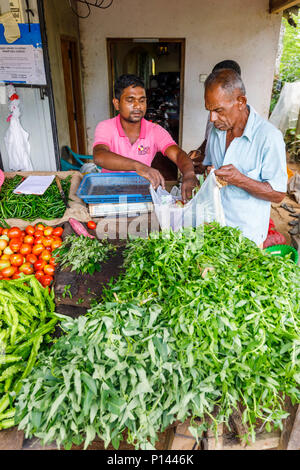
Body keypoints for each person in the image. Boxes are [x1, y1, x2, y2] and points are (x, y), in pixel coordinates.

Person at [202, 68, 287, 246]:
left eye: (218, 110)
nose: (212, 118)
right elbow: (209, 165)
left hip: (246, 238)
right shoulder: (215, 129)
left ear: (241, 102)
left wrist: (240, 180)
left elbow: (278, 194)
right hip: (213, 228)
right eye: (209, 110)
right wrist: (209, 173)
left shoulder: (269, 137)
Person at [93, 74, 199, 202]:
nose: (138, 106)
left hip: (141, 197)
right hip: (110, 196)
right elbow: (99, 156)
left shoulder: (155, 131)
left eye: (142, 100)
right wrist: (138, 166)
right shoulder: (106, 127)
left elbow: (177, 154)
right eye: (130, 100)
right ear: (116, 103)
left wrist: (189, 174)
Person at [188, 60, 242, 174]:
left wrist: (240, 180)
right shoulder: (214, 113)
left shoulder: (264, 136)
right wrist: (200, 153)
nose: (213, 118)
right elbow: (209, 139)